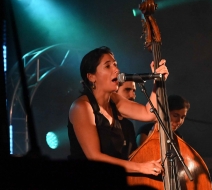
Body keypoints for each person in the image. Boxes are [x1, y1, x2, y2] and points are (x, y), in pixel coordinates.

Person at [67, 46, 169, 176]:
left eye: (115, 65)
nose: (116, 70)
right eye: (108, 66)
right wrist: (141, 167)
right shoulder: (81, 106)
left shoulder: (114, 100)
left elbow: (148, 113)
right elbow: (94, 157)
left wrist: (158, 81)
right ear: (91, 77)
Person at [116, 81, 138, 158]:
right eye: (127, 90)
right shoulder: (102, 121)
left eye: (134, 90)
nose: (133, 95)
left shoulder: (129, 125)